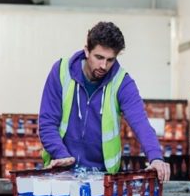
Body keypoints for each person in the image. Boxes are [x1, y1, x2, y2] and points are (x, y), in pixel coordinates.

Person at [38, 21, 170, 182]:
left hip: (103, 179)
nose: (103, 66)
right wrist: (62, 155)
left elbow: (140, 122)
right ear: (87, 51)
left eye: (110, 60)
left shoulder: (122, 82)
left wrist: (156, 157)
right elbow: (47, 122)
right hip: (61, 174)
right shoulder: (60, 72)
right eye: (99, 57)